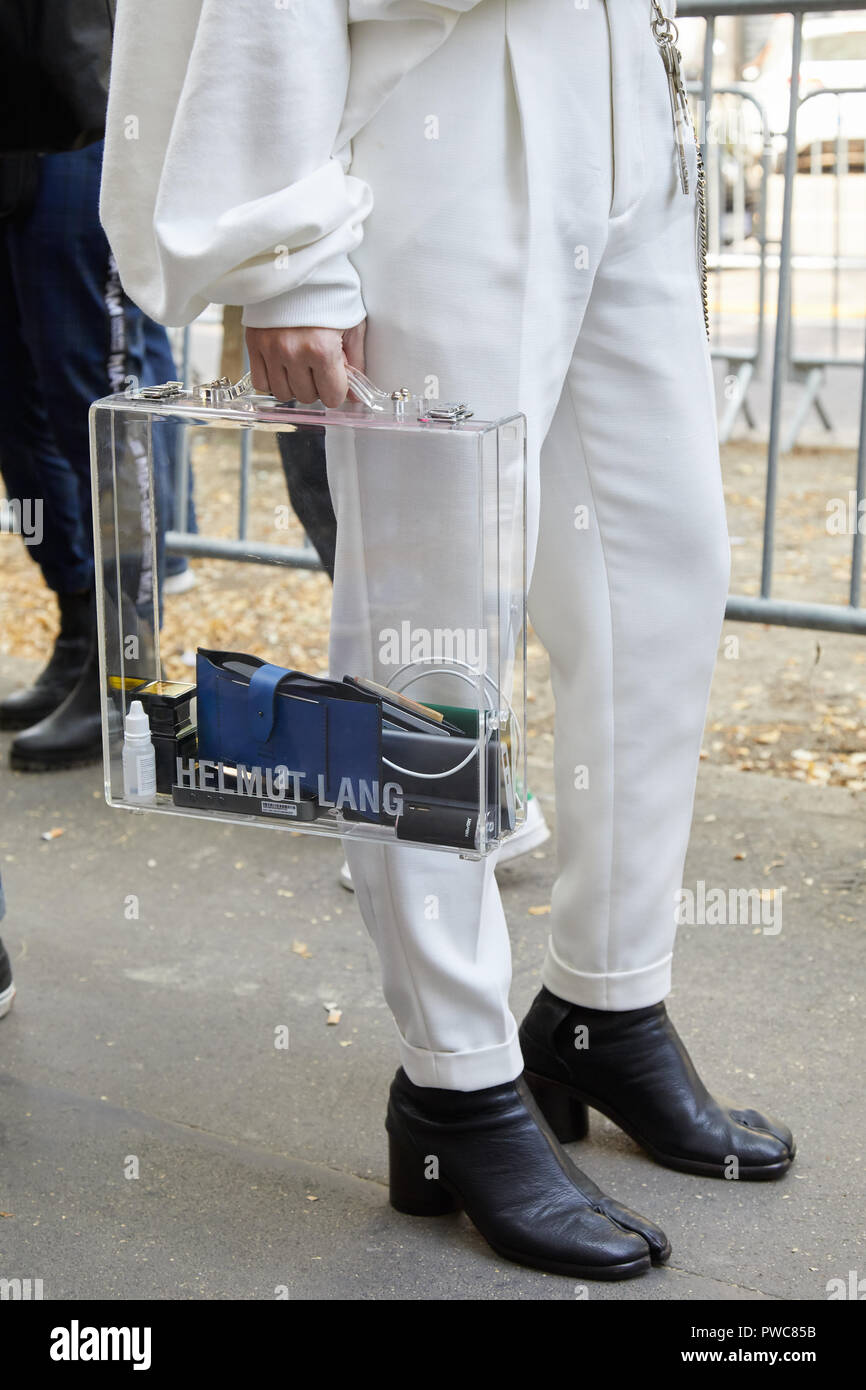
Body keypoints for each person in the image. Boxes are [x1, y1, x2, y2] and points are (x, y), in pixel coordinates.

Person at [101, 0, 795, 1281]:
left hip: (615, 73)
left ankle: (603, 999)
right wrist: (287, 252)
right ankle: (455, 1084)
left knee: (662, 572)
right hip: (437, 81)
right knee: (432, 627)